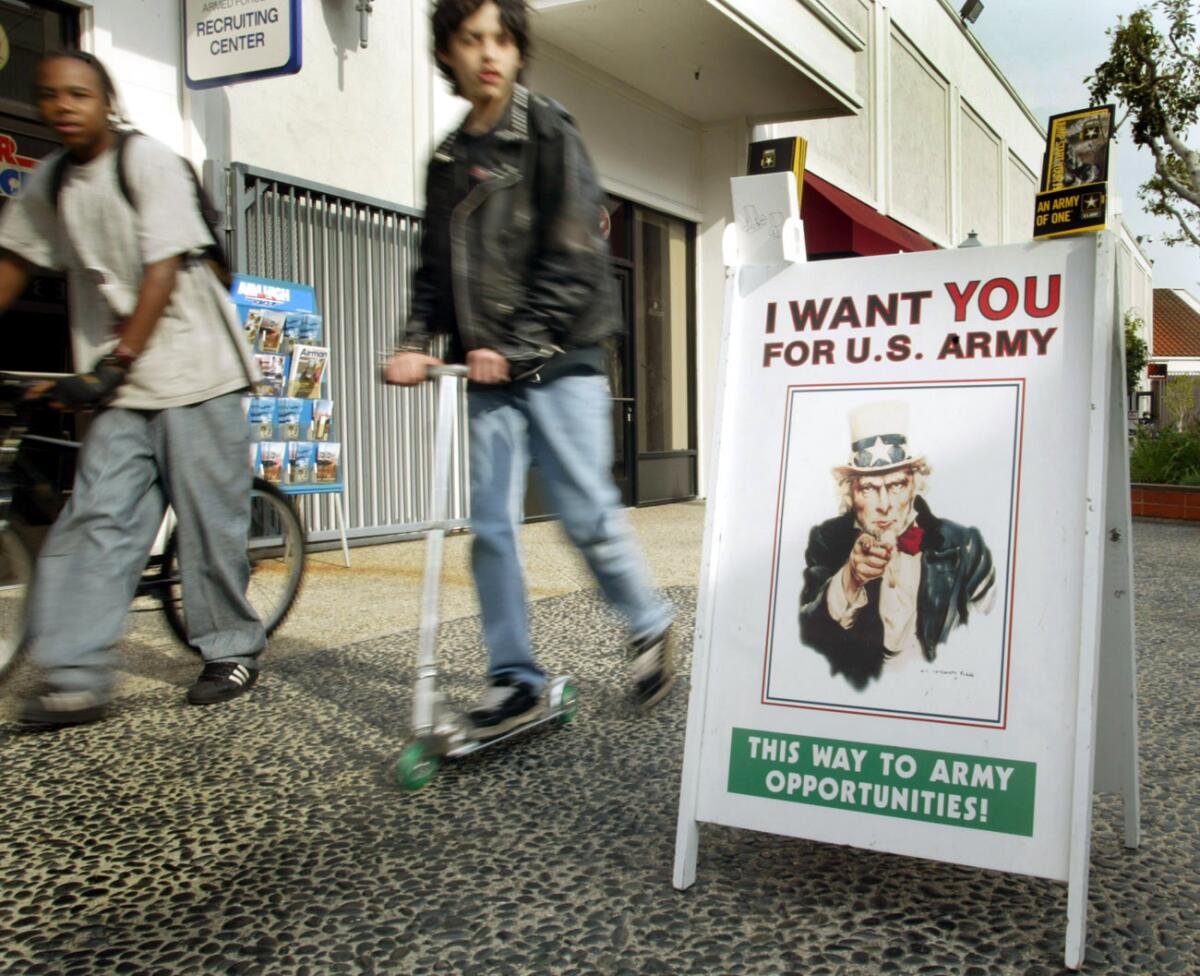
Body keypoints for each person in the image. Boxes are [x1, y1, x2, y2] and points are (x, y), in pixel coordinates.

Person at [385, 0, 675, 737]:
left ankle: (648, 622)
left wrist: (515, 343)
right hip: (488, 374)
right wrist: (418, 339)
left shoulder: (547, 129)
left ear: (518, 51)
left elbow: (574, 252)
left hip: (561, 358)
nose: (488, 53)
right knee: (490, 528)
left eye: (501, 40)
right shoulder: (447, 162)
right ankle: (513, 677)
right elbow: (432, 272)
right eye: (470, 39)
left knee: (585, 514)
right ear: (446, 52)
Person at [0, 51, 264, 727]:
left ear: (106, 100)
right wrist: (114, 373)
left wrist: (116, 363)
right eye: (49, 95)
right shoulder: (52, 179)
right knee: (96, 520)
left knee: (209, 524)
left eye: (78, 94)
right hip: (125, 386)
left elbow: (163, 268)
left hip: (196, 370)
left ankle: (231, 649)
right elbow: (15, 259)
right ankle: (76, 676)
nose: (62, 106)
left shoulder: (145, 160)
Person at [799, 402, 995, 690]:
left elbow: (990, 635)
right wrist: (850, 579)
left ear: (915, 486)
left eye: (896, 486)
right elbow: (804, 637)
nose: (885, 505)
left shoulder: (963, 545)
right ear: (851, 494)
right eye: (869, 488)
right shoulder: (826, 540)